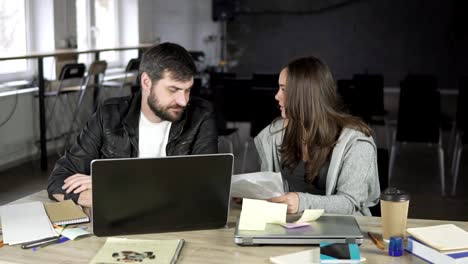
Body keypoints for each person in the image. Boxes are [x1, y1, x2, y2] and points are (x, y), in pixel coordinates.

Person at [47, 42, 218, 207]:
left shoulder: (201, 116)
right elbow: (58, 180)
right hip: (120, 224)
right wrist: (106, 197)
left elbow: (206, 185)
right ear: (146, 82)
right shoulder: (108, 115)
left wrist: (111, 185)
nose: (183, 101)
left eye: (187, 90)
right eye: (173, 90)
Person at [255, 56, 380, 216]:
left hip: (337, 231)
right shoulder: (274, 134)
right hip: (287, 228)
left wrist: (302, 202)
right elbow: (272, 190)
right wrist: (255, 195)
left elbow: (349, 203)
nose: (277, 96)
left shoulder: (356, 143)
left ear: (305, 95)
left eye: (284, 89)